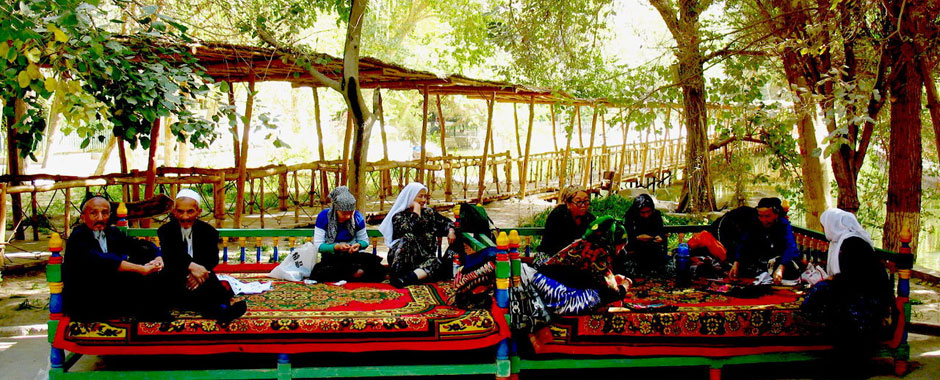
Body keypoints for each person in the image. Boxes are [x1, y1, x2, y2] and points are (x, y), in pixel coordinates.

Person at [801, 208, 896, 378]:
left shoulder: (853, 243)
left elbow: (857, 276)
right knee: (821, 292)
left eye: (824, 226)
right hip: (855, 289)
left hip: (868, 295)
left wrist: (831, 281)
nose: (823, 230)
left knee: (822, 295)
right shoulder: (840, 241)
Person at [62, 196, 169, 321]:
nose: (100, 218)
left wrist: (157, 257)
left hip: (110, 291)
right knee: (139, 280)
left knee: (153, 273)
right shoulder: (78, 236)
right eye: (94, 213)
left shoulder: (112, 232)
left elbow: (137, 245)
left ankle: (154, 325)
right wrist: (139, 269)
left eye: (105, 213)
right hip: (86, 297)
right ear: (83, 217)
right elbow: (101, 260)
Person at [157, 189, 246, 322]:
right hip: (175, 276)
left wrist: (198, 274)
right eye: (180, 211)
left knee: (212, 286)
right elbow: (171, 255)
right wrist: (191, 267)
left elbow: (212, 259)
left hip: (201, 278)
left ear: (198, 212)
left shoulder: (209, 232)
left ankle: (220, 311)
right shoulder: (165, 231)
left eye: (190, 211)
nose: (185, 217)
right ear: (174, 212)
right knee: (159, 285)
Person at [532, 216, 632, 315]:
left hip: (543, 287)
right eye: (621, 247)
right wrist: (625, 284)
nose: (622, 251)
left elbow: (592, 277)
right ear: (611, 243)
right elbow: (612, 294)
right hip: (552, 293)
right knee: (598, 297)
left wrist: (612, 280)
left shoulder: (583, 244)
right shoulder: (598, 253)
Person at [379, 182, 456, 288]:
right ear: (410, 197)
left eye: (425, 196)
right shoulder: (399, 216)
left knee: (436, 262)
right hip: (403, 259)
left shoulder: (430, 213)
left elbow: (447, 222)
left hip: (424, 260)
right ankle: (398, 276)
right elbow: (410, 230)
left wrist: (451, 230)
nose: (423, 200)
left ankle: (406, 279)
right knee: (408, 237)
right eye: (420, 196)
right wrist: (416, 212)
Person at [310, 187, 385, 282]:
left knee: (377, 269)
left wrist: (359, 245)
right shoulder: (324, 217)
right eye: (344, 213)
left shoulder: (357, 217)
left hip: (352, 257)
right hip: (332, 257)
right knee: (322, 271)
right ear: (335, 209)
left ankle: (351, 274)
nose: (348, 217)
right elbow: (318, 245)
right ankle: (354, 274)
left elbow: (364, 241)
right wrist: (336, 247)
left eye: (351, 213)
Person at [728, 197, 799, 283]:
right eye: (760, 216)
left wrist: (781, 268)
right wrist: (736, 263)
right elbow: (744, 243)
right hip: (761, 261)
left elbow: (790, 247)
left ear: (776, 215)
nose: (764, 220)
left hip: (778, 261)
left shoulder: (783, 225)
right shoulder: (755, 223)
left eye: (767, 216)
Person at [537, 185, 596, 261]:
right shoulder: (558, 215)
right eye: (578, 202)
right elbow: (557, 245)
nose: (583, 205)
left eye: (586, 201)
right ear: (568, 203)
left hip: (575, 256)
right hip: (551, 255)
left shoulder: (589, 218)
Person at [621, 194, 669, 277]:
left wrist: (660, 237)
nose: (646, 215)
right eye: (643, 213)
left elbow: (660, 231)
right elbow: (628, 233)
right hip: (636, 245)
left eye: (648, 212)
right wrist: (637, 237)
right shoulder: (630, 216)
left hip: (652, 243)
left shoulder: (656, 215)